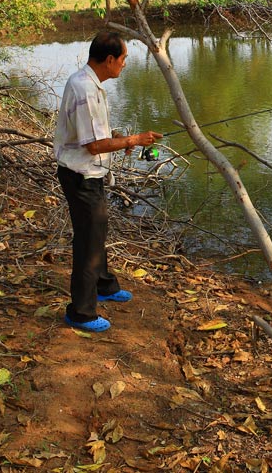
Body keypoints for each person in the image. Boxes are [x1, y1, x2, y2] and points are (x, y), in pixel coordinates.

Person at [53, 31, 162, 332]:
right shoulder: (85, 89)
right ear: (110, 59)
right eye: (124, 59)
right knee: (88, 241)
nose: (125, 65)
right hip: (81, 175)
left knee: (97, 231)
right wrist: (134, 139)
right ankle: (81, 312)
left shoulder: (90, 84)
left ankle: (104, 286)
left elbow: (95, 137)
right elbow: (92, 146)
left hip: (90, 173)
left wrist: (119, 139)